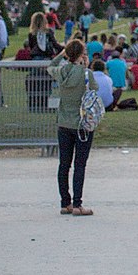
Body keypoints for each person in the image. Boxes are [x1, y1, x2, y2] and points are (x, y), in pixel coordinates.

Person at [47, 39, 96, 216]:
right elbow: (94, 91)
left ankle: (65, 202)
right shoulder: (86, 74)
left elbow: (50, 66)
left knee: (64, 164)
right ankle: (77, 204)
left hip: (64, 122)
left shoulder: (62, 71)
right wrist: (86, 65)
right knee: (80, 164)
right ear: (82, 54)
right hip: (82, 123)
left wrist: (62, 54)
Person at [25, 10, 61, 113]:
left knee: (35, 82)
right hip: (47, 60)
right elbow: (55, 45)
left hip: (36, 60)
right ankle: (45, 104)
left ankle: (35, 104)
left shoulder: (32, 34)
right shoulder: (49, 32)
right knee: (46, 82)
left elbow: (32, 48)